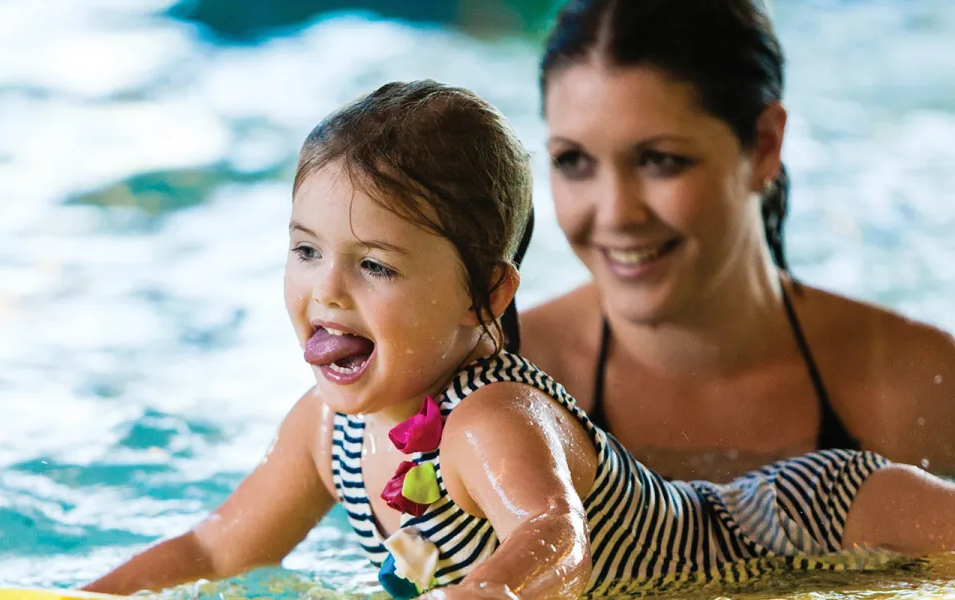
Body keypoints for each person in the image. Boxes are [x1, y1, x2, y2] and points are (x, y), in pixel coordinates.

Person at [80, 80, 955, 600]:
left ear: (486, 295)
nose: (326, 290)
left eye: (376, 265)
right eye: (306, 250)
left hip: (806, 524)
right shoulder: (326, 429)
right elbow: (217, 551)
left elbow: (554, 537)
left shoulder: (495, 418)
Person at [519, 0, 955, 484]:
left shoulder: (924, 392)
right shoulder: (506, 382)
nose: (617, 213)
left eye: (660, 160)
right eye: (573, 161)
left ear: (765, 146)